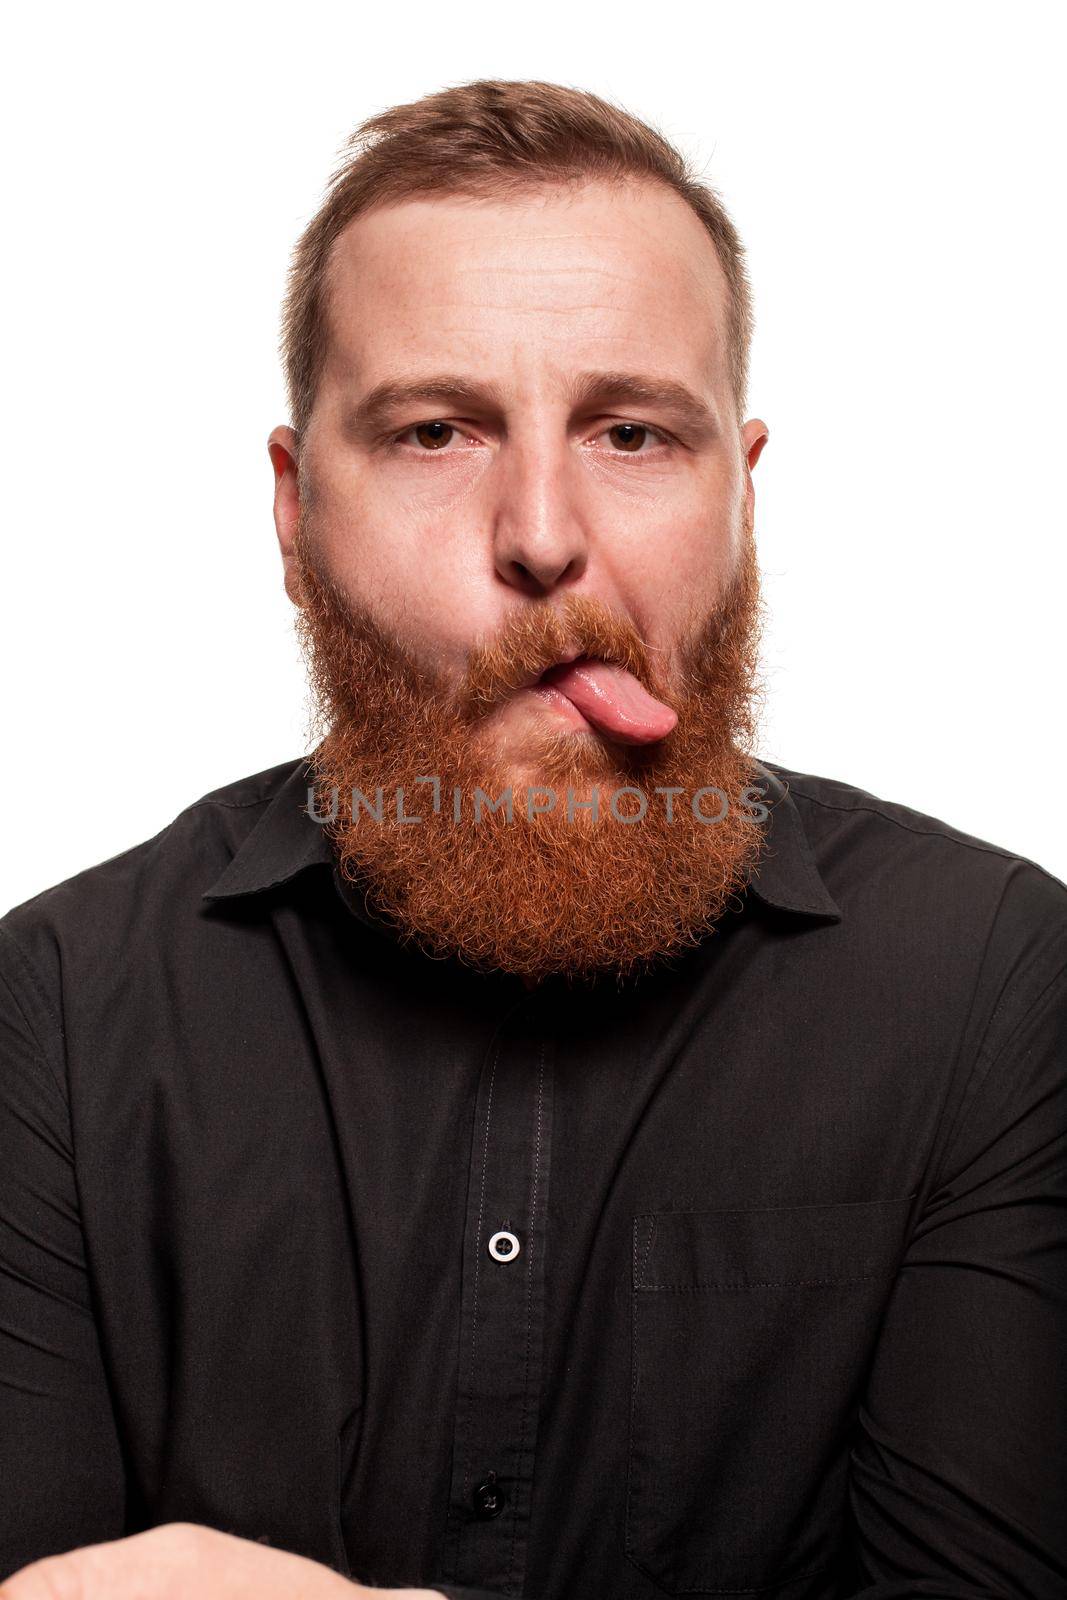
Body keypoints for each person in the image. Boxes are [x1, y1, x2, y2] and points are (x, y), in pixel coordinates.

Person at [0, 78, 1063, 1600]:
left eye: (634, 433)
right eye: (437, 432)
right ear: (294, 519)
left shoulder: (992, 985)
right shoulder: (48, 1012)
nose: (547, 536)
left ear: (739, 498)